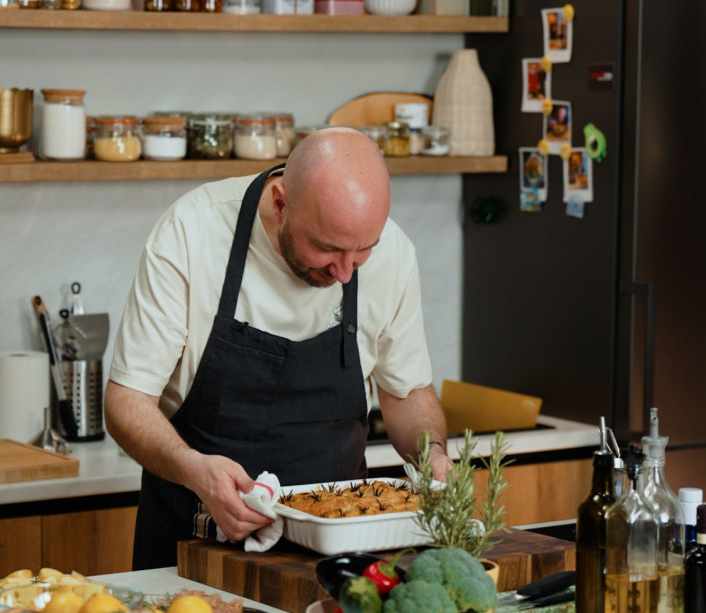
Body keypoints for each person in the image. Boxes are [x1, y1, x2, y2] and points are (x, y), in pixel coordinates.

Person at [105, 127, 450, 570]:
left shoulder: (395, 252)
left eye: (364, 250)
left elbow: (407, 392)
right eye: (326, 248)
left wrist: (432, 452)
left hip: (340, 555)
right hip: (192, 546)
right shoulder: (192, 232)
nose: (346, 272)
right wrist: (194, 469)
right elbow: (127, 401)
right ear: (281, 202)